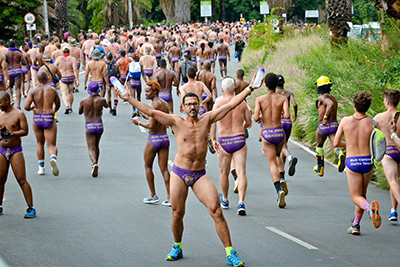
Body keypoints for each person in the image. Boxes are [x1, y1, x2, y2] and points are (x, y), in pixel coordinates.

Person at [116, 74, 261, 267]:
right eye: (189, 104)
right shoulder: (176, 121)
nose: (192, 107)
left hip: (199, 175)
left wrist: (250, 88)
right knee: (177, 213)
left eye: (195, 103)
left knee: (217, 211)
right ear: (182, 107)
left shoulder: (208, 118)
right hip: (180, 174)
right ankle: (177, 246)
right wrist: (128, 99)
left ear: (200, 105)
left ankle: (230, 253)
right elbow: (151, 112)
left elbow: (231, 104)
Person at [333, 91, 381, 235]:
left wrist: (349, 144)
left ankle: (370, 209)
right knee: (362, 195)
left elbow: (335, 143)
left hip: (352, 162)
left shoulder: (345, 121)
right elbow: (376, 143)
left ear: (354, 105)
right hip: (367, 162)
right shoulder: (372, 123)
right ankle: (355, 225)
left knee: (355, 196)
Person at [211, 77, 251, 215]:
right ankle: (241, 202)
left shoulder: (218, 102)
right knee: (241, 172)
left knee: (224, 172)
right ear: (234, 89)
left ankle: (225, 199)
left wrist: (213, 138)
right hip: (239, 139)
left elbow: (212, 121)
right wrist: (242, 127)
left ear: (222, 89)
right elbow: (249, 122)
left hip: (224, 140)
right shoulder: (242, 102)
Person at [131, 81, 171, 206]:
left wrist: (138, 122)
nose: (146, 93)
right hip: (164, 138)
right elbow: (161, 120)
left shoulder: (153, 105)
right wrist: (146, 116)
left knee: (148, 166)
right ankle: (170, 197)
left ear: (155, 92)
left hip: (154, 139)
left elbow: (151, 126)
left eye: (148, 91)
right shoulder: (164, 104)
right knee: (164, 169)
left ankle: (153, 195)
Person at [254, 73, 289, 208]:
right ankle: (282, 178)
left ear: (266, 85)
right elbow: (287, 115)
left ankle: (279, 190)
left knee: (272, 163)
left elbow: (256, 118)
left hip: (267, 133)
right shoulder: (282, 99)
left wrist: (263, 118)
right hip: (280, 133)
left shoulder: (260, 99)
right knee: (278, 156)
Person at [0, 91, 35, 218]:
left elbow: (25, 131)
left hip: (15, 150)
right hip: (2, 150)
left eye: (1, 103)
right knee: (0, 180)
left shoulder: (19, 114)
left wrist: (12, 133)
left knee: (21, 179)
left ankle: (31, 207)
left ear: (7, 101)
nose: (0, 106)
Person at [24, 70, 61, 177]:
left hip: (37, 118)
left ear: (37, 79)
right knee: (51, 144)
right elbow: (57, 104)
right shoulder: (52, 90)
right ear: (47, 78)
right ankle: (53, 157)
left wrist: (32, 108)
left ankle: (41, 168)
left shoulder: (33, 91)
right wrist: (53, 111)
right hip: (49, 117)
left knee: (40, 143)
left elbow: (26, 106)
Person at [374, 89, 400, 222]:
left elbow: (371, 134)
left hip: (388, 152)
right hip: (399, 148)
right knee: (395, 181)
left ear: (387, 102)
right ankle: (393, 211)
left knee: (393, 181)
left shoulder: (379, 118)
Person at [313, 76, 345, 177]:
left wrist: (325, 118)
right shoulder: (334, 98)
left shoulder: (322, 98)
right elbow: (332, 104)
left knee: (319, 145)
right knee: (334, 145)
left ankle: (320, 168)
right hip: (334, 125)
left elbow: (329, 104)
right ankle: (339, 154)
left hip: (323, 126)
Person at [78, 82, 108, 177]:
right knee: (96, 145)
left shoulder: (83, 101)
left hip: (89, 125)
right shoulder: (101, 100)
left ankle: (94, 163)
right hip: (99, 125)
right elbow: (107, 106)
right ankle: (96, 163)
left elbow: (79, 112)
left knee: (91, 148)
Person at [276, 74, 298, 177]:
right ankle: (283, 170)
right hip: (288, 121)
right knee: (285, 144)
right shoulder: (289, 93)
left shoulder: (275, 94)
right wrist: (295, 115)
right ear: (283, 83)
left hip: (279, 121)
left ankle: (289, 158)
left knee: (281, 146)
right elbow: (294, 104)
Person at [55, 47, 79, 114]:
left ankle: (66, 105)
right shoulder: (72, 59)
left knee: (64, 93)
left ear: (63, 52)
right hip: (71, 77)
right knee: (70, 92)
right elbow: (75, 69)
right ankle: (71, 107)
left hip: (63, 77)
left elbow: (55, 67)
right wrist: (77, 79)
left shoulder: (58, 59)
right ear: (69, 52)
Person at [5, 41, 27, 109]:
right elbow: (24, 63)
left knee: (10, 87)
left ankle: (11, 99)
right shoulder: (19, 53)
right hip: (17, 71)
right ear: (15, 46)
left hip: (9, 71)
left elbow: (4, 64)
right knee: (18, 89)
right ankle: (18, 105)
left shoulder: (6, 54)